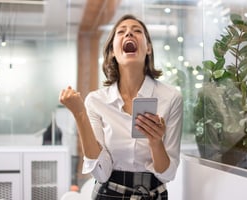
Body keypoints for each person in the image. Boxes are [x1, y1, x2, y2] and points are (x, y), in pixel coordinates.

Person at [59, 14, 183, 200]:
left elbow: (167, 174)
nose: (129, 35)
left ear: (148, 48)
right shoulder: (96, 101)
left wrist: (155, 142)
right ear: (112, 51)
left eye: (137, 31)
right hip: (109, 194)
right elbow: (101, 173)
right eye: (121, 32)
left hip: (154, 195)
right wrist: (79, 114)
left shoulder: (171, 97)